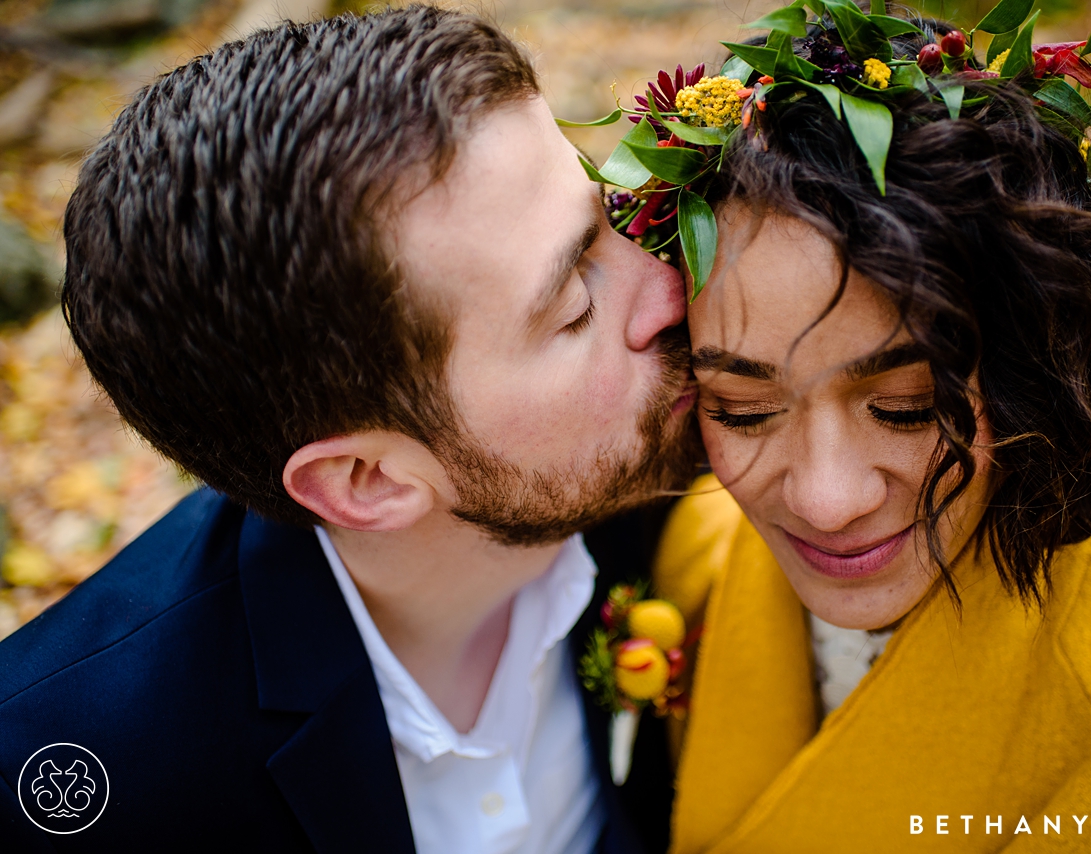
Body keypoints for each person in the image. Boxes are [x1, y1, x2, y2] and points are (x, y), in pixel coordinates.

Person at [0, 7, 698, 851]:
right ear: (369, 479)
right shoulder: (90, 782)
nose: (671, 285)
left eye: (606, 216)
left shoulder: (697, 471)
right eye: (577, 303)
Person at [609, 7, 1091, 853]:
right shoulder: (693, 554)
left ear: (1031, 362)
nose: (827, 500)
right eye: (743, 411)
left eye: (908, 407)